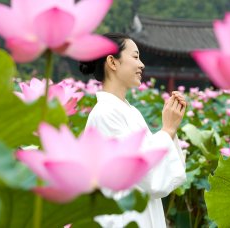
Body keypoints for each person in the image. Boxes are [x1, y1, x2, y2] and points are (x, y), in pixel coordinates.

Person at [79, 33, 187, 228]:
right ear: (112, 62)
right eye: (135, 57)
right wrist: (167, 130)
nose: (142, 65)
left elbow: (152, 170)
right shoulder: (105, 113)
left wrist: (170, 128)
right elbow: (145, 175)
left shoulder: (130, 111)